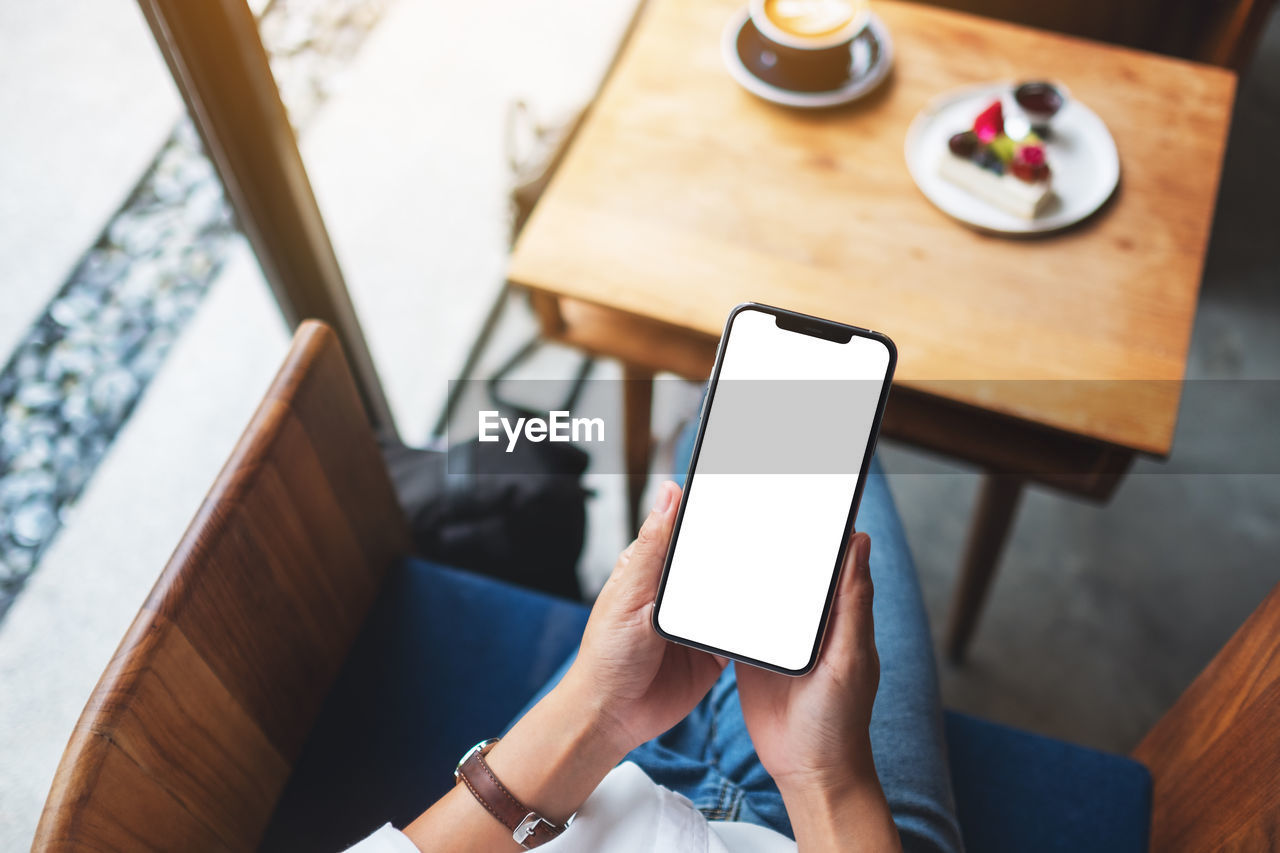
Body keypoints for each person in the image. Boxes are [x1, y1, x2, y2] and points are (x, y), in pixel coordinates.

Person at [348, 463, 964, 852]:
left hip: (576, 790)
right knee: (798, 449)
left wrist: (596, 713)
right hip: (825, 828)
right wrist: (828, 780)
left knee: (736, 454)